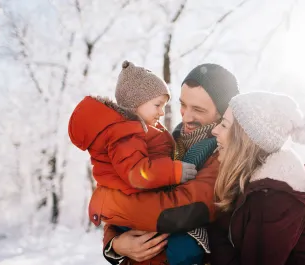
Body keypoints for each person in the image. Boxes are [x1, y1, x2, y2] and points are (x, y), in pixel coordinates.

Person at [90, 63, 240, 264]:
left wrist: (109, 204)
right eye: (183, 104)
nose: (186, 116)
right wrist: (115, 244)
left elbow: (180, 210)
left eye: (198, 109)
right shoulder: (167, 141)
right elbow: (130, 187)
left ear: (222, 113)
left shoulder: (223, 156)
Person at [68, 61, 202, 265]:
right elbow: (137, 173)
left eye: (164, 106)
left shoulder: (137, 131)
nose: (161, 112)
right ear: (135, 104)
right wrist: (174, 172)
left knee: (181, 247)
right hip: (136, 210)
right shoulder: (126, 134)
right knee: (183, 248)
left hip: (137, 209)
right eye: (157, 105)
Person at [209, 91, 305, 265]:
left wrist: (210, 232)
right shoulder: (255, 184)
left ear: (244, 139)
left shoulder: (274, 200)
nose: (214, 130)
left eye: (224, 125)